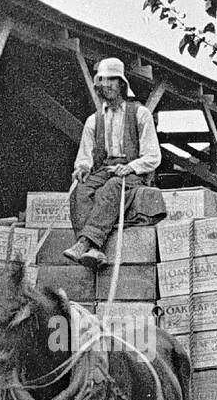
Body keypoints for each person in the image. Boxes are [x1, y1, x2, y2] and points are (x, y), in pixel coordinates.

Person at [63, 58, 166, 267]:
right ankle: (92, 249)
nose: (107, 85)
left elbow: (153, 156)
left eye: (112, 80)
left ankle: (86, 243)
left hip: (134, 172)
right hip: (105, 168)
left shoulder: (140, 114)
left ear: (122, 84)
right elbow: (85, 156)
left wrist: (129, 167)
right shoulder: (94, 120)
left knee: (112, 187)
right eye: (103, 80)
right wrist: (82, 168)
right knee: (80, 190)